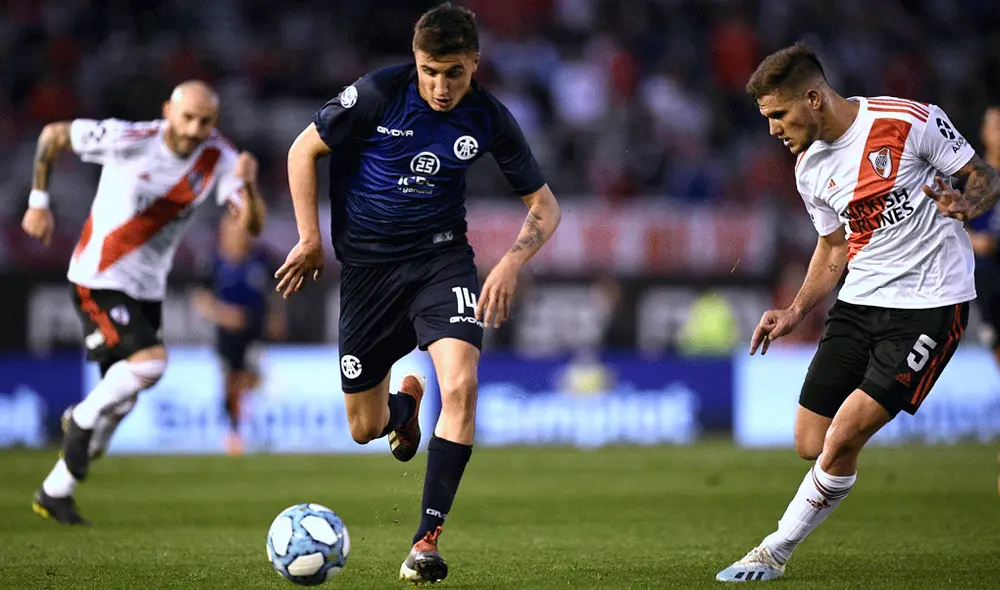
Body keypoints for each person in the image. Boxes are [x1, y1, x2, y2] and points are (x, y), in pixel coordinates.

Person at [274, 4, 561, 584]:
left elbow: (546, 206)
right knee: (363, 427)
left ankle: (425, 541)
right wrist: (309, 238)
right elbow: (301, 150)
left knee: (461, 384)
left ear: (474, 64)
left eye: (454, 72)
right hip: (367, 275)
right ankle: (403, 411)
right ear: (415, 60)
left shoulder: (488, 116)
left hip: (441, 262)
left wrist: (509, 262)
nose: (441, 85)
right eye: (430, 70)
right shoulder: (378, 94)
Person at [716, 43, 1000, 582]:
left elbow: (983, 175)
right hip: (859, 303)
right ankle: (837, 477)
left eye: (778, 114)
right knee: (812, 443)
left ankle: (772, 551)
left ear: (814, 97)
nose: (773, 129)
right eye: (766, 118)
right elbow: (834, 247)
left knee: (844, 435)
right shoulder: (808, 168)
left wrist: (968, 204)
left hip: (929, 306)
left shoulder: (908, 122)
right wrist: (796, 309)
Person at [22, 81, 266, 525]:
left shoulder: (220, 157)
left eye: (205, 121)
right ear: (167, 112)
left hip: (146, 289)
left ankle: (55, 490)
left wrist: (248, 187)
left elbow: (249, 226)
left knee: (120, 406)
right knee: (150, 363)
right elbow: (53, 135)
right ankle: (78, 417)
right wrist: (38, 203)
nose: (195, 129)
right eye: (187, 117)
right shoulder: (130, 139)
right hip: (98, 277)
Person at [193, 211, 285, 455]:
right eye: (234, 230)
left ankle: (252, 425)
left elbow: (275, 290)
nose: (239, 236)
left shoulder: (261, 259)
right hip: (227, 332)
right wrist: (224, 315)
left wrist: (276, 316)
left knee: (252, 377)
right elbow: (201, 299)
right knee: (231, 380)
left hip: (255, 329)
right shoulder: (213, 262)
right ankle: (234, 432)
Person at [965, 107, 1000, 365]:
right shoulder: (977, 179)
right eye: (995, 128)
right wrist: (975, 241)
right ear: (984, 133)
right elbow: (953, 223)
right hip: (987, 272)